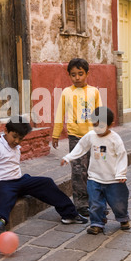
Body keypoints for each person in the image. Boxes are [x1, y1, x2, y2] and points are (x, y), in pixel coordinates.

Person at [0, 115, 88, 233]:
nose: (17, 141)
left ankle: (69, 214)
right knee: (6, 196)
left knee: (46, 183)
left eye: (20, 138)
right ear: (6, 130)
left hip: (19, 181)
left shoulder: (16, 147)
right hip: (2, 184)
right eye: (14, 136)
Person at [61, 106, 130, 234]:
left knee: (118, 202)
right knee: (94, 203)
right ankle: (97, 223)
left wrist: (121, 173)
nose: (97, 129)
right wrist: (68, 157)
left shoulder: (115, 139)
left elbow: (122, 156)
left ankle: (123, 218)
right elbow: (81, 146)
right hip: (94, 178)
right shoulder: (91, 136)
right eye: (95, 125)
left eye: (101, 126)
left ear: (110, 125)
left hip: (113, 179)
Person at [52, 58, 102, 216]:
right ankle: (81, 204)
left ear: (87, 73)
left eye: (80, 74)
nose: (77, 78)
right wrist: (56, 134)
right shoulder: (67, 92)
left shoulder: (94, 92)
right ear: (69, 76)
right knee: (78, 171)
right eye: (73, 75)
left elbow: (99, 112)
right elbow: (60, 113)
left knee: (93, 170)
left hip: (92, 137)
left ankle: (96, 201)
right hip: (75, 138)